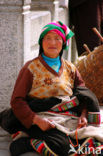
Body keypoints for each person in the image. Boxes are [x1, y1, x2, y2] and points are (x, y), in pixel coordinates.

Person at [0, 21, 101, 156]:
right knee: (62, 146)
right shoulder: (30, 68)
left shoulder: (71, 68)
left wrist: (83, 114)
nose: (52, 43)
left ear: (63, 43)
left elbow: (83, 93)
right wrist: (37, 121)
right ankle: (25, 143)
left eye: (57, 38)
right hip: (42, 115)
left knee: (94, 144)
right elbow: (17, 101)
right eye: (48, 38)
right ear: (41, 43)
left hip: (68, 117)